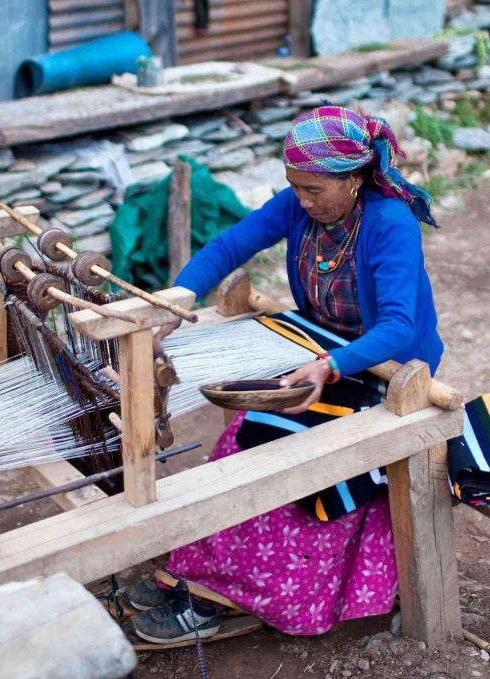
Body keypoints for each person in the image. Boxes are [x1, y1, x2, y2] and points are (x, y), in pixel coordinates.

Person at [126, 105, 444, 644]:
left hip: (385, 372)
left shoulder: (391, 225)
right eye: (294, 187)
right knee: (241, 446)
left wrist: (330, 366)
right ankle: (199, 574)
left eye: (314, 189)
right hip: (320, 350)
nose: (301, 199)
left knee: (292, 468)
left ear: (355, 178)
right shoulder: (301, 208)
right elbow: (230, 245)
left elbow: (397, 327)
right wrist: (173, 305)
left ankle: (220, 595)